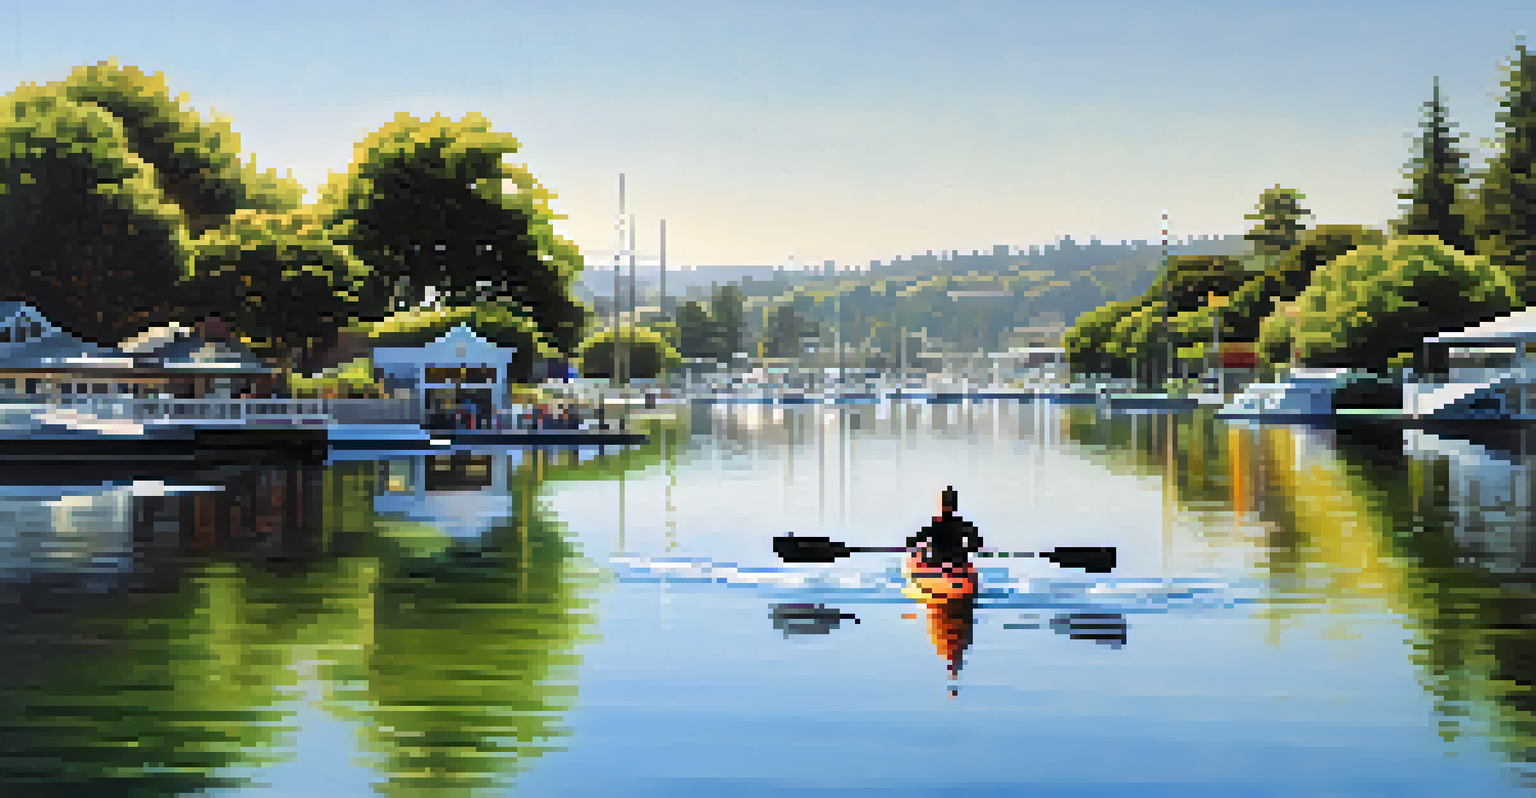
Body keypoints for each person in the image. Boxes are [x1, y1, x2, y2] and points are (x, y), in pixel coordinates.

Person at [906, 486, 984, 566]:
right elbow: (978, 543)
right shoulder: (962, 525)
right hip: (957, 564)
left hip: (939, 565)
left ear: (942, 505)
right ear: (955, 506)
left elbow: (912, 542)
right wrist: (966, 550)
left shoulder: (936, 525)